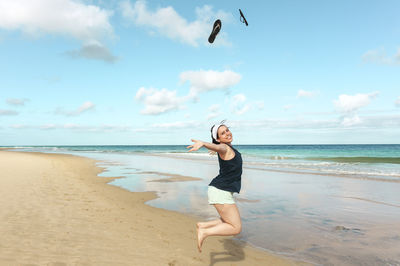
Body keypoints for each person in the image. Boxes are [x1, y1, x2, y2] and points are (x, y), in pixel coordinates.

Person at [187, 122, 243, 252]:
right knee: (236, 228)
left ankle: (202, 225)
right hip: (220, 191)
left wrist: (212, 147)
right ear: (218, 139)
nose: (227, 133)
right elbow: (220, 148)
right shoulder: (224, 148)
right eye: (223, 133)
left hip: (221, 190)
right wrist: (204, 143)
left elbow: (218, 148)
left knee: (226, 221)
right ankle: (205, 232)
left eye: (227, 130)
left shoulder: (227, 148)